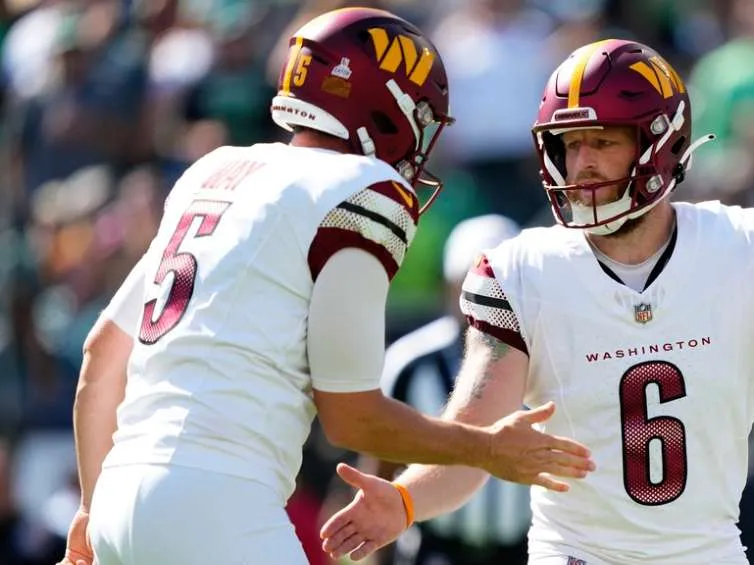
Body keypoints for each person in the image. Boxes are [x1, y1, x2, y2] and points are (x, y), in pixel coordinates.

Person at [319, 38, 754, 564]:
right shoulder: (520, 271)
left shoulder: (747, 244)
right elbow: (473, 442)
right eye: (570, 145)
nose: (581, 164)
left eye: (602, 142)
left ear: (658, 143)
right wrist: (403, 502)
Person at [57, 8, 593, 565]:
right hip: (219, 501)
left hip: (117, 493)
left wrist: (93, 510)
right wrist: (485, 448)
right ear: (388, 107)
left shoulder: (212, 171)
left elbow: (101, 358)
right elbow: (351, 415)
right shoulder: (361, 188)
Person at [354, 214, 531, 565]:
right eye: (472, 285)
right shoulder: (411, 361)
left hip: (525, 551)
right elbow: (383, 464)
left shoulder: (547, 361)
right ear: (450, 286)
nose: (485, 300)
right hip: (438, 551)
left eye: (499, 288)